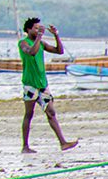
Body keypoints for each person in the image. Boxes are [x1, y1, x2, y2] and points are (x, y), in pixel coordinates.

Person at [18, 17, 77, 153]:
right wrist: (39, 37)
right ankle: (25, 146)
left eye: (40, 28)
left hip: (42, 84)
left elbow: (59, 51)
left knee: (51, 112)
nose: (39, 30)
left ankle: (63, 143)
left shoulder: (42, 44)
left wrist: (56, 35)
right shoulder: (23, 43)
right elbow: (32, 52)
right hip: (30, 85)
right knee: (29, 114)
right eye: (36, 28)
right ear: (29, 29)